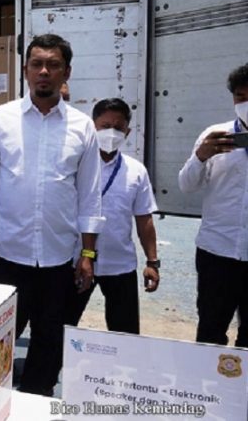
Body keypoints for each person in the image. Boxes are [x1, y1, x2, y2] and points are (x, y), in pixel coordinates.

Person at [0, 33, 104, 396]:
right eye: (37, 64)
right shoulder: (0, 120)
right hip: (6, 256)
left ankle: (36, 405)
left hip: (59, 261)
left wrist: (87, 254)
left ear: (66, 72)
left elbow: (90, 196)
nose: (44, 71)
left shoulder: (82, 127)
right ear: (25, 70)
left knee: (48, 345)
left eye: (53, 65)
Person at [178, 60, 248, 421]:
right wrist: (201, 155)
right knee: (211, 327)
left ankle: (238, 399)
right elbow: (186, 186)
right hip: (217, 251)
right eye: (240, 96)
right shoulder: (216, 134)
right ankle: (207, 398)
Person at [65, 98, 159, 334]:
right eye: (105, 126)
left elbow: (144, 219)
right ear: (93, 127)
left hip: (120, 264)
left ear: (127, 132)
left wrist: (152, 262)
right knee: (61, 329)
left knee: (125, 334)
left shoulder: (136, 171)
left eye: (118, 127)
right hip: (76, 262)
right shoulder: (74, 166)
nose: (111, 133)